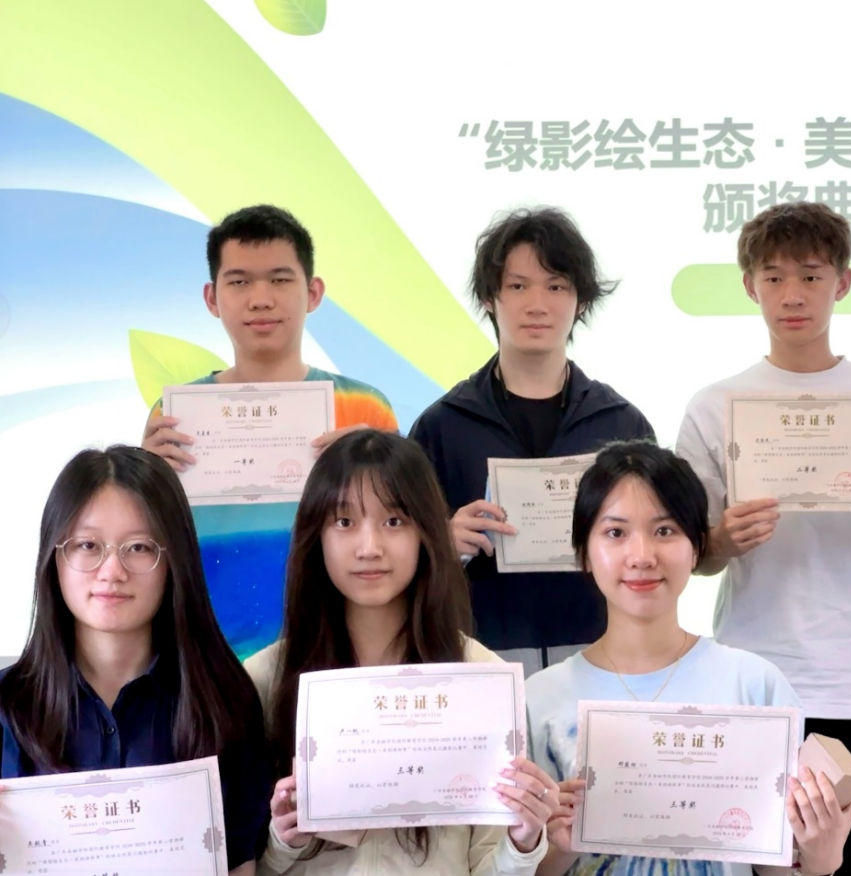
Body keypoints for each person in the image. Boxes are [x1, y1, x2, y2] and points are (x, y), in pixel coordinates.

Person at [674, 201, 851, 875]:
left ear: (842, 283)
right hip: (755, 682)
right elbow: (694, 558)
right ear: (749, 287)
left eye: (810, 275)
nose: (792, 295)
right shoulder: (713, 405)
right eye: (773, 277)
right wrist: (722, 540)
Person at [527, 441, 851, 876]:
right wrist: (560, 847)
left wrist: (820, 859)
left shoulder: (754, 685)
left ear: (697, 547)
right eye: (616, 533)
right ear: (584, 552)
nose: (642, 556)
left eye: (665, 531)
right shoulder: (539, 699)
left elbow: (771, 868)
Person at [244, 429, 556, 874]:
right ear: (316, 536)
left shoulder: (480, 676)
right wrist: (282, 843)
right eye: (344, 522)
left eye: (393, 521)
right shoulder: (263, 681)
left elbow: (487, 865)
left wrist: (522, 844)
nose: (369, 548)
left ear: (426, 532)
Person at [0, 446, 271, 874]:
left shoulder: (225, 702)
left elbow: (240, 861)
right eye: (88, 545)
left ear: (174, 560)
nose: (112, 570)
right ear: (54, 557)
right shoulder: (7, 704)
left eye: (140, 547)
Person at [140, 205, 397, 657]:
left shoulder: (366, 408)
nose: (260, 299)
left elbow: (401, 537)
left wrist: (367, 469)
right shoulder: (174, 416)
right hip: (209, 656)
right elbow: (150, 544)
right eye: (239, 282)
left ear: (313, 292)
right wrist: (143, 482)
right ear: (212, 298)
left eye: (280, 279)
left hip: (336, 652)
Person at [410, 208, 654, 675]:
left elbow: (655, 544)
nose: (537, 304)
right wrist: (442, 543)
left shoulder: (623, 425)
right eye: (518, 286)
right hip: (478, 657)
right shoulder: (441, 426)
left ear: (580, 301)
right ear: (489, 298)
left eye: (556, 287)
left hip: (602, 657)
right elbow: (403, 556)